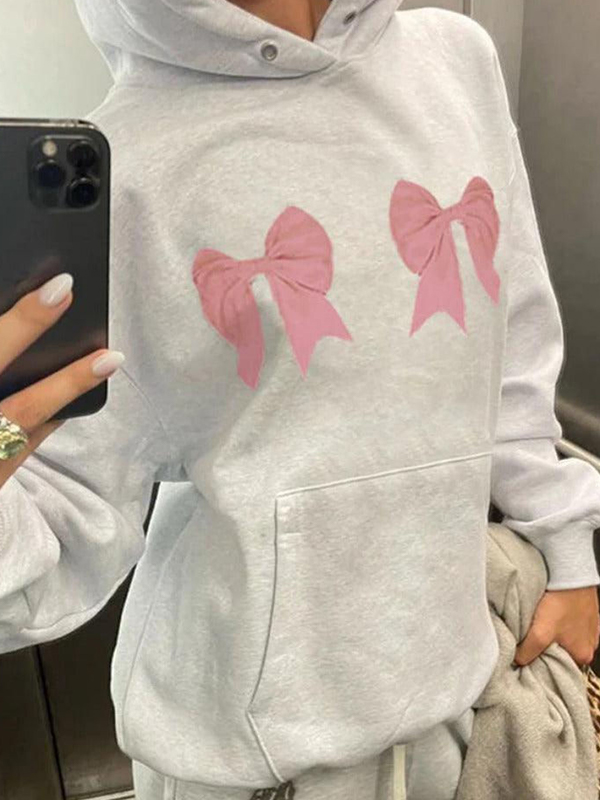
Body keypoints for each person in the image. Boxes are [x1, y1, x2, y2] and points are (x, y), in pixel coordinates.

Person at [1, 1, 600, 798]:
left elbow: (512, 344)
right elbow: (57, 525)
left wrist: (566, 548)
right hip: (241, 761)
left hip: (452, 708)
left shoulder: (457, 61)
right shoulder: (133, 165)